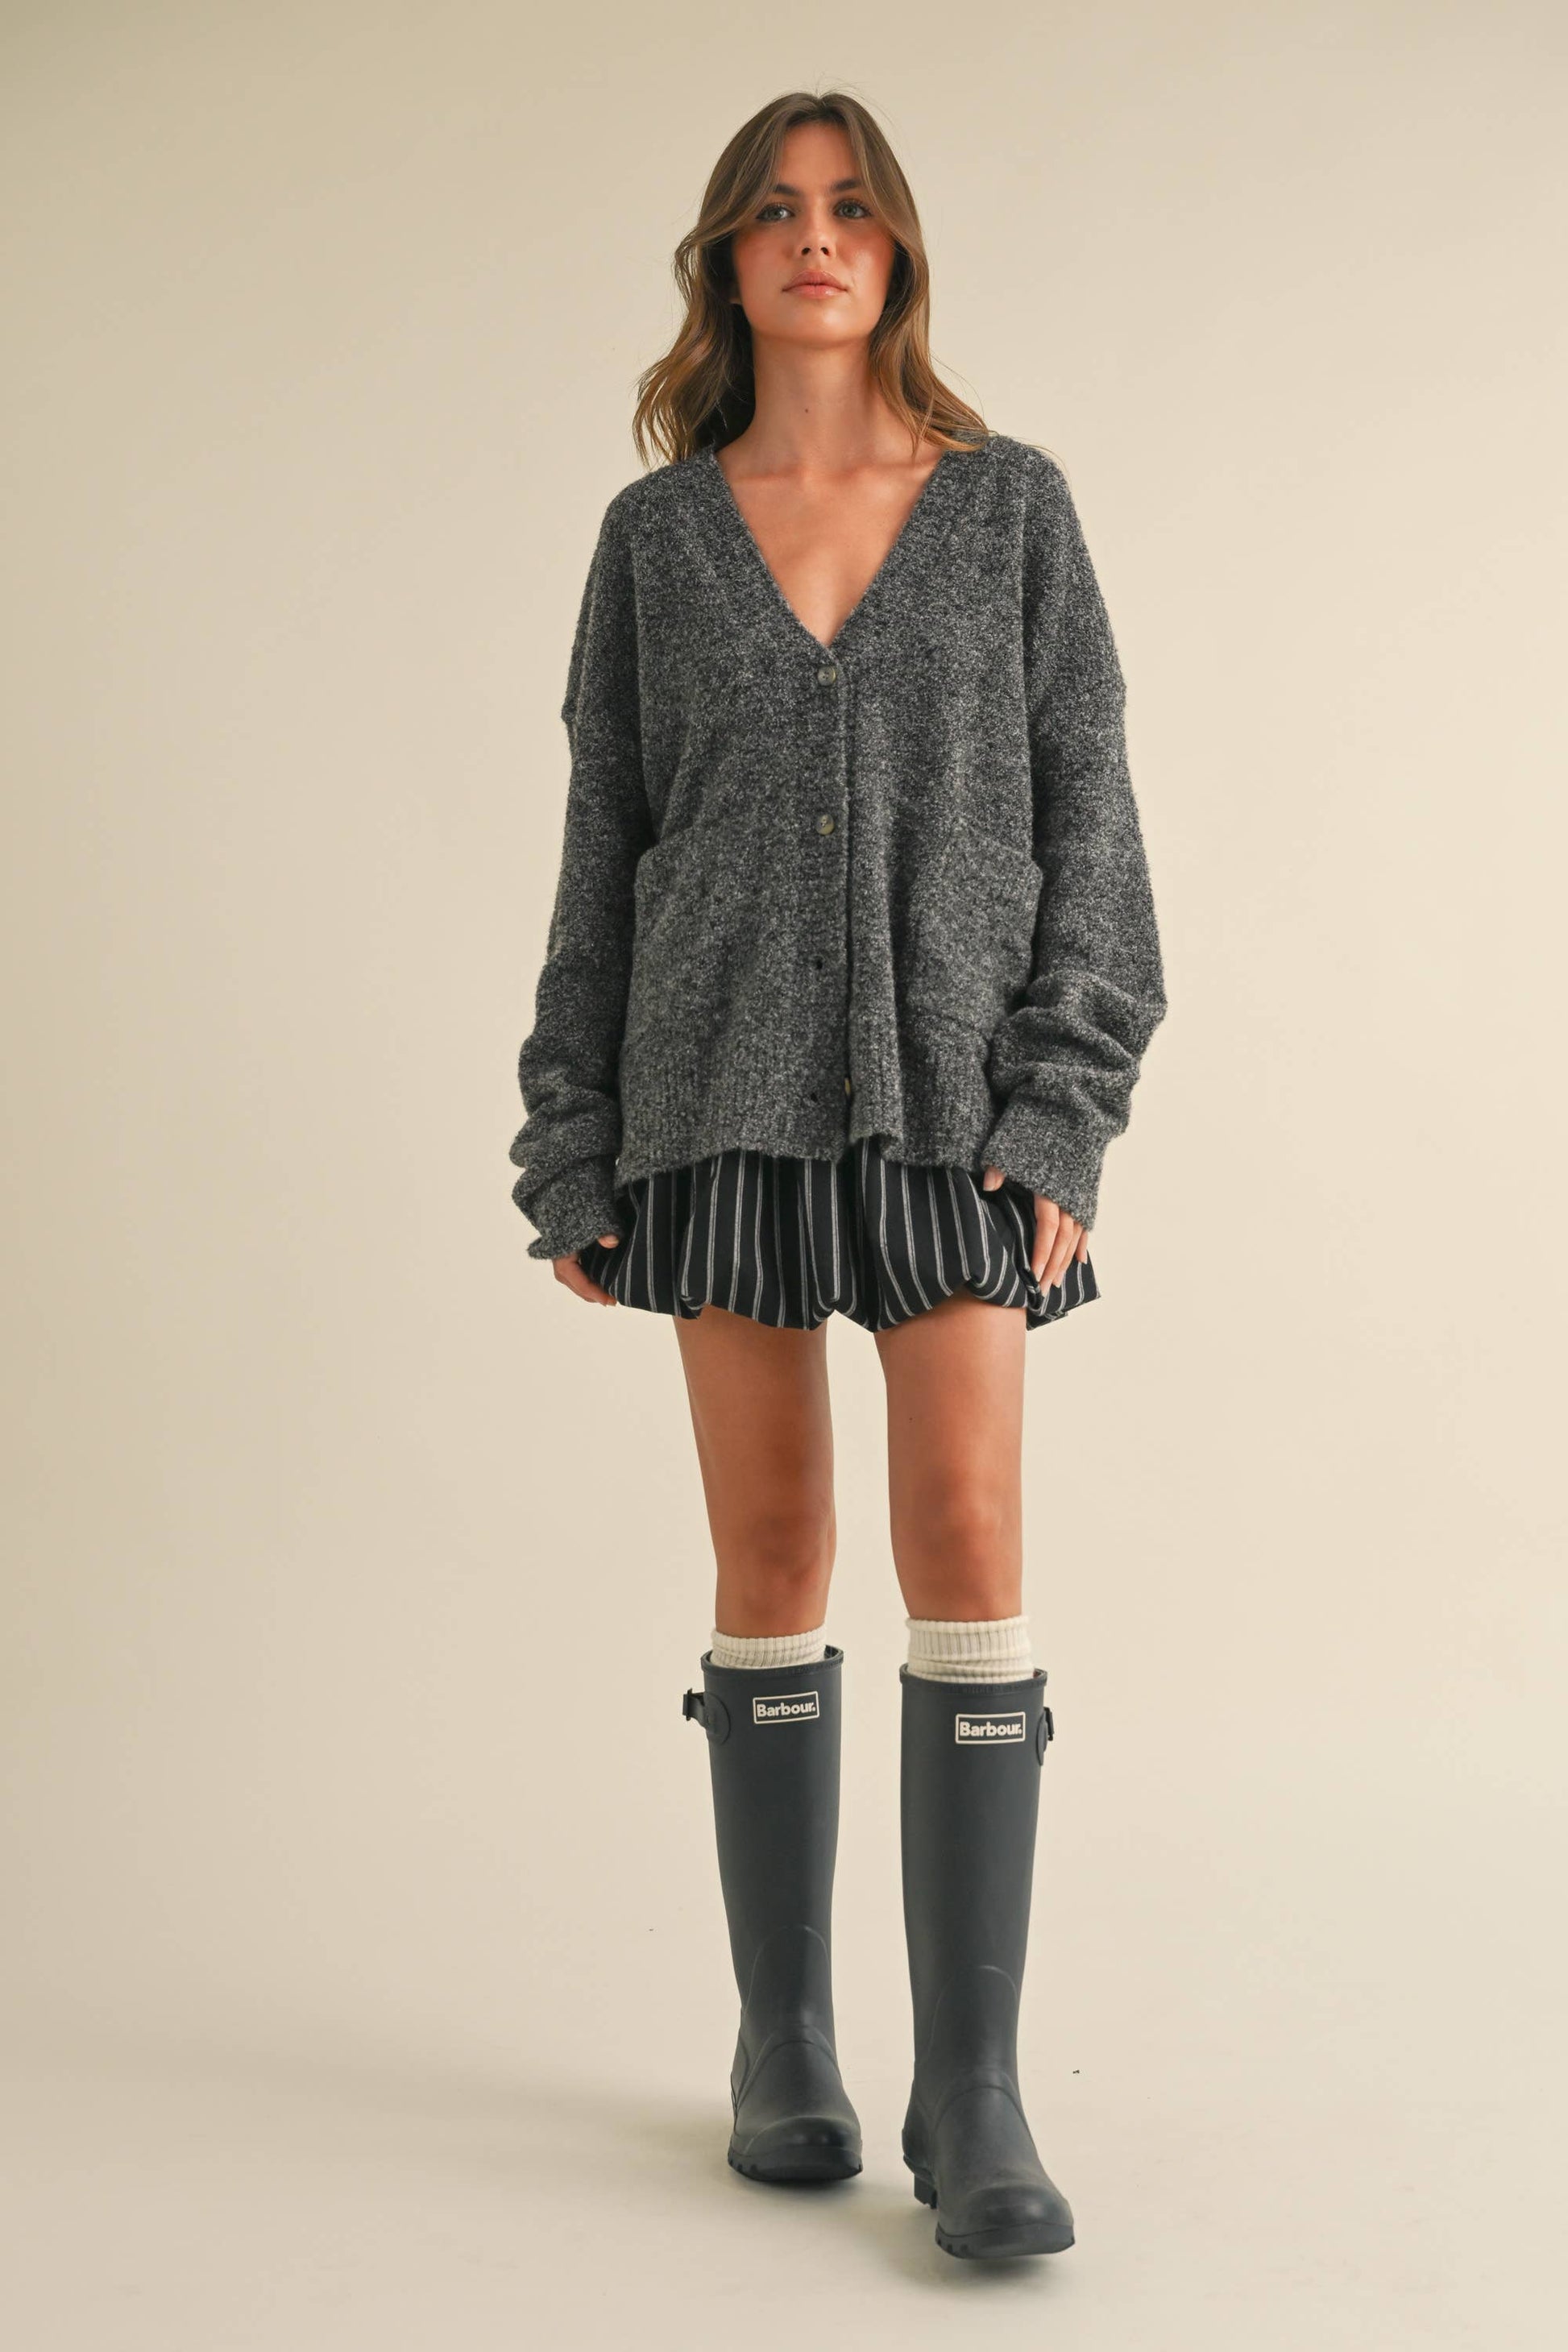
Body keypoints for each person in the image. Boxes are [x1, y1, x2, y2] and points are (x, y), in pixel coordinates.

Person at [508, 89, 1167, 2263]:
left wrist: (1061, 1107)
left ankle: (969, 2089)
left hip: (954, 1097)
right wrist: (571, 1130)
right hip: (708, 1094)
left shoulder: (1010, 510)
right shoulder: (654, 539)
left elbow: (1092, 821)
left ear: (898, 254)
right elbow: (604, 845)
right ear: (726, 256)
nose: (817, 237)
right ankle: (779, 2039)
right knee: (771, 1549)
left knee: (963, 1531)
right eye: (778, 211)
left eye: (853, 207)